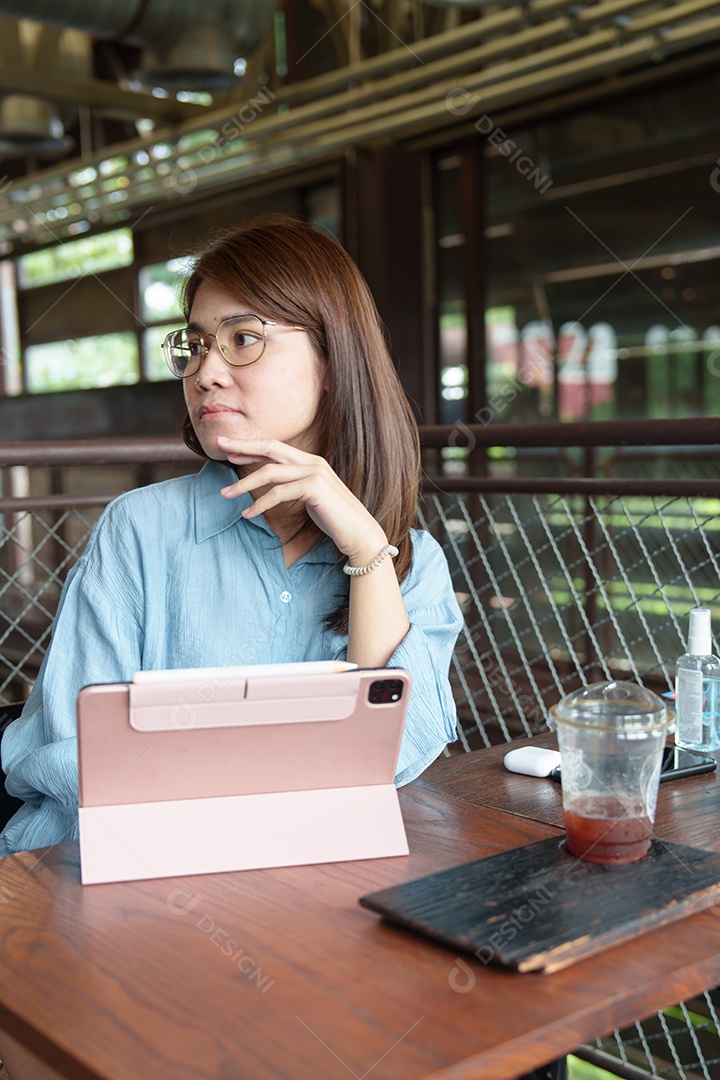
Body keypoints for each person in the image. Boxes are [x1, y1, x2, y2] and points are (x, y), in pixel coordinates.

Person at [0, 216, 463, 858]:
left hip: (300, 877)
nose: (206, 373)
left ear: (334, 360)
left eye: (243, 338)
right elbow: (77, 756)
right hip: (93, 870)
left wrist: (366, 552)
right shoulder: (140, 531)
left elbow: (392, 757)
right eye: (195, 347)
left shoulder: (412, 561)